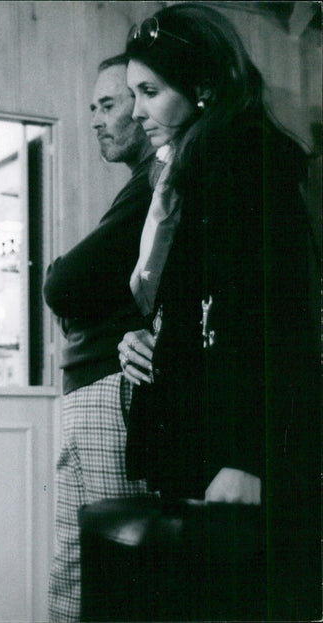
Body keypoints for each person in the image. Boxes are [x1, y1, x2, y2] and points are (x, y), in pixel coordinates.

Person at [117, 4, 320, 619]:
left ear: (203, 88)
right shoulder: (200, 162)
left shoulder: (246, 160)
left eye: (149, 92)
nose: (134, 111)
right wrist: (148, 338)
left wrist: (245, 456)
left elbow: (275, 314)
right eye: (131, 93)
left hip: (233, 455)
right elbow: (206, 305)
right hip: (202, 443)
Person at [43, 55, 156, 623]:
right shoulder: (142, 188)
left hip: (112, 391)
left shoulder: (159, 179)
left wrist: (63, 282)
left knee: (109, 568)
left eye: (108, 105)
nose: (95, 120)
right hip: (92, 390)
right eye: (92, 108)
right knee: (78, 562)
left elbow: (65, 283)